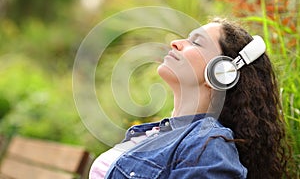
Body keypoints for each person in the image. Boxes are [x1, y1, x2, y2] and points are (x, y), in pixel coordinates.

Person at [89, 18, 290, 179]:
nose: (175, 43)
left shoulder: (207, 147)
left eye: (196, 42)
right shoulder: (157, 132)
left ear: (222, 72)